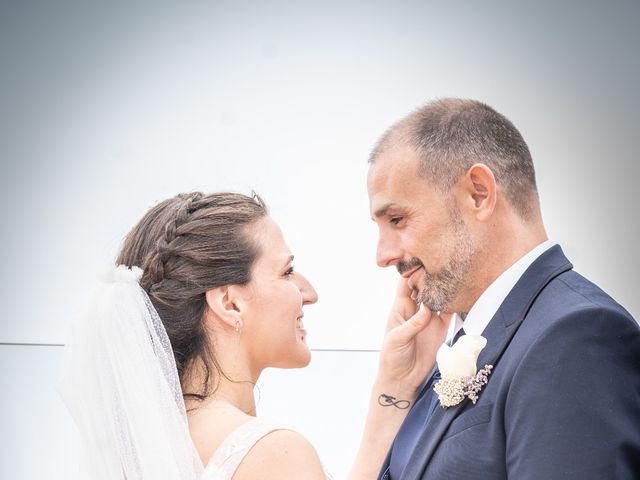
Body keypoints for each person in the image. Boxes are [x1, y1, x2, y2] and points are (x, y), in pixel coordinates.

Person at [59, 191, 449, 480]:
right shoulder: (269, 451)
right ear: (229, 304)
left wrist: (394, 385)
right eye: (286, 271)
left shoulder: (142, 444)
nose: (309, 292)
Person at [367, 98, 640, 479]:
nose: (383, 255)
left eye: (397, 219)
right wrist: (397, 384)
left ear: (479, 194)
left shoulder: (576, 339)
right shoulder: (452, 352)